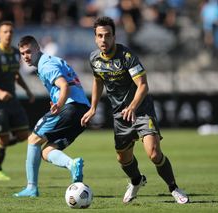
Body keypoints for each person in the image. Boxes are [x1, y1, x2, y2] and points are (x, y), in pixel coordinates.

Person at [81, 16, 189, 204]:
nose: (103, 40)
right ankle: (136, 180)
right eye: (100, 36)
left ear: (114, 36)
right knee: (123, 158)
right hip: (120, 114)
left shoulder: (126, 56)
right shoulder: (94, 59)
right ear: (95, 38)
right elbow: (98, 81)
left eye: (107, 35)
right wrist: (93, 107)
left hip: (140, 109)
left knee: (154, 153)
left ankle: (174, 188)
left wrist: (132, 106)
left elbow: (143, 85)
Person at [13, 35, 90, 197]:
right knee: (47, 151)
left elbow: (64, 86)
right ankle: (72, 164)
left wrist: (59, 105)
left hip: (69, 107)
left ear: (37, 49)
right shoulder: (53, 60)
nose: (26, 56)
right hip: (83, 111)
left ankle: (31, 188)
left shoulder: (45, 64)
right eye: (23, 53)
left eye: (29, 52)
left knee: (33, 140)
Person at [0, 21, 34, 181]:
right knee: (3, 138)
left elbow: (16, 74)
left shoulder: (16, 53)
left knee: (24, 134)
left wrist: (28, 90)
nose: (8, 34)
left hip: (12, 99)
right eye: (5, 32)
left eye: (10, 31)